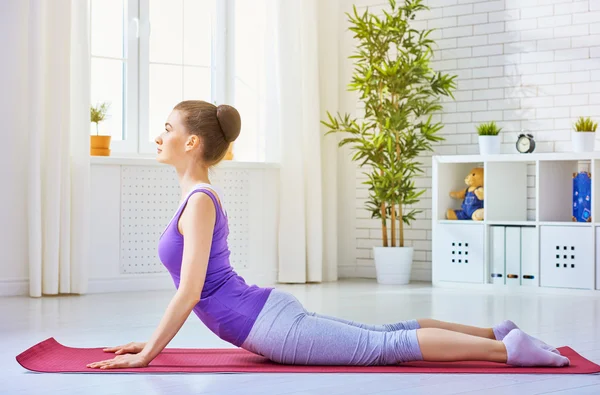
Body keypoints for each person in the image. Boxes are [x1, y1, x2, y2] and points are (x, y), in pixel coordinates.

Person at [87, 100, 570, 370]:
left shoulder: (198, 203)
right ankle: (499, 332)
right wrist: (147, 343)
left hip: (271, 327)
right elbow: (197, 288)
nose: (158, 135)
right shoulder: (195, 198)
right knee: (387, 335)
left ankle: (505, 351)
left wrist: (149, 353)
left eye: (165, 128)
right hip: (265, 313)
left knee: (388, 348)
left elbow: (191, 291)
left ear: (190, 143)